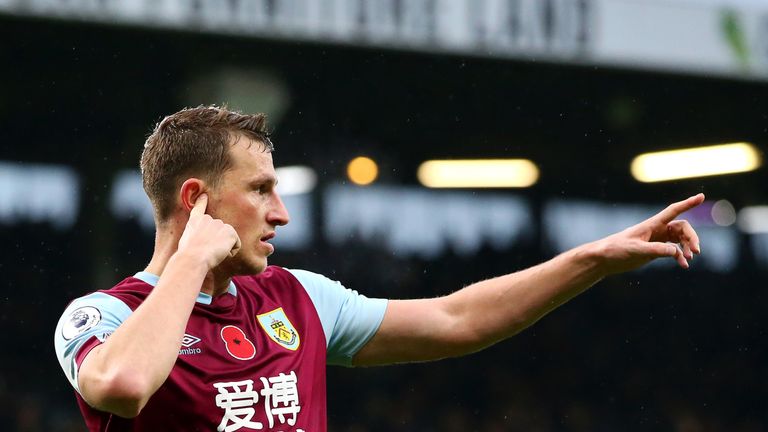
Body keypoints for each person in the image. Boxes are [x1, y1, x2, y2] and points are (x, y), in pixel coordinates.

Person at [54, 105, 704, 432]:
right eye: (259, 190)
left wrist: (590, 259)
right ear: (195, 200)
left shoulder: (298, 300)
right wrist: (194, 257)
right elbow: (126, 385)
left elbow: (456, 320)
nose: (280, 213)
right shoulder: (101, 318)